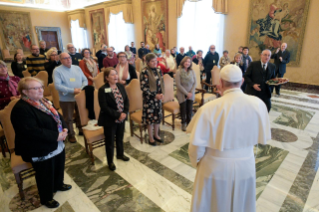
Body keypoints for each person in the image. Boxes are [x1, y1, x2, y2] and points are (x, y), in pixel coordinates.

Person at [187, 64, 271, 212]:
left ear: (220, 83)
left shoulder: (208, 108)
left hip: (214, 168)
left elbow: (196, 148)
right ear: (242, 81)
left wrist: (196, 162)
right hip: (246, 166)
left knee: (212, 205)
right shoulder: (258, 104)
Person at [11, 77, 72, 209]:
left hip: (56, 141)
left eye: (41, 87)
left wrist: (65, 127)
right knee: (45, 173)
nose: (40, 90)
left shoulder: (44, 101)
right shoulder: (21, 108)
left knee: (58, 164)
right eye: (36, 88)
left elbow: (58, 116)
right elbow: (31, 131)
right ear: (25, 92)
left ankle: (58, 184)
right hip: (38, 146)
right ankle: (46, 198)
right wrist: (56, 136)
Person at [98, 67, 130, 171]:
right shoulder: (103, 90)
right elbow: (104, 107)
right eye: (112, 74)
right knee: (110, 141)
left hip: (122, 118)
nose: (115, 76)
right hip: (110, 119)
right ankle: (110, 161)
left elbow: (126, 101)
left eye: (116, 73)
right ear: (107, 78)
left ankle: (120, 154)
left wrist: (124, 112)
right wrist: (117, 115)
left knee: (120, 137)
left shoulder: (120, 86)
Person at [53, 52, 88, 143]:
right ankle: (71, 135)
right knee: (68, 118)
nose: (68, 59)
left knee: (80, 115)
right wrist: (72, 90)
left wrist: (80, 89)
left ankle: (81, 130)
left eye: (69, 57)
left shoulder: (77, 68)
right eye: (65, 58)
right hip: (66, 99)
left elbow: (85, 80)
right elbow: (57, 86)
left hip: (78, 97)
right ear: (61, 60)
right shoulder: (57, 70)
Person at [140, 53, 165, 146]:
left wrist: (162, 93)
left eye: (156, 61)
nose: (155, 63)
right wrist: (155, 95)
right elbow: (143, 87)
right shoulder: (144, 71)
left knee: (157, 117)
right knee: (150, 119)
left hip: (158, 98)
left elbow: (162, 83)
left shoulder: (158, 70)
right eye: (152, 61)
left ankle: (156, 135)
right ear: (147, 62)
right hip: (149, 100)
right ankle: (150, 137)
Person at [175, 56, 196, 131]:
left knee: (189, 110)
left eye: (189, 62)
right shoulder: (179, 71)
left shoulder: (192, 71)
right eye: (186, 61)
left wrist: (191, 92)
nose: (187, 63)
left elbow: (195, 83)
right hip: (182, 93)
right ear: (183, 62)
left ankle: (189, 122)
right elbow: (178, 84)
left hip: (191, 93)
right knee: (183, 109)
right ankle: (183, 123)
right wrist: (186, 93)